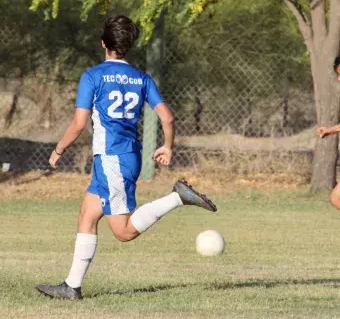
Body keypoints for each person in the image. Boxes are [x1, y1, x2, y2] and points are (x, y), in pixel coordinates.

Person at [35, 15, 217, 300]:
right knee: (87, 215)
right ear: (127, 46)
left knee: (124, 232)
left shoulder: (93, 76)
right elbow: (167, 117)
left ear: (103, 43)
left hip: (112, 160)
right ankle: (71, 286)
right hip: (124, 157)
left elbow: (79, 124)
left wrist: (58, 150)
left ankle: (177, 198)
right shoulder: (142, 78)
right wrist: (167, 147)